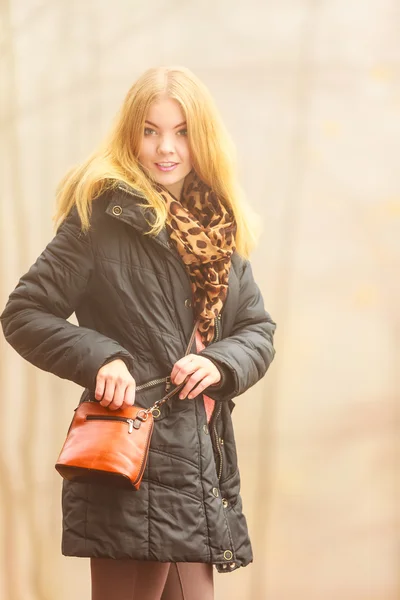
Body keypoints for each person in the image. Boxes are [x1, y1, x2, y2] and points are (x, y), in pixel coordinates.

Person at [0, 65, 276, 600]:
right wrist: (104, 358)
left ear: (203, 138)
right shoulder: (99, 218)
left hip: (198, 467)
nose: (165, 147)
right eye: (150, 130)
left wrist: (220, 363)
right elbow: (24, 312)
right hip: (128, 463)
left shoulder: (220, 228)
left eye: (180, 131)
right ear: (131, 135)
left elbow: (256, 329)